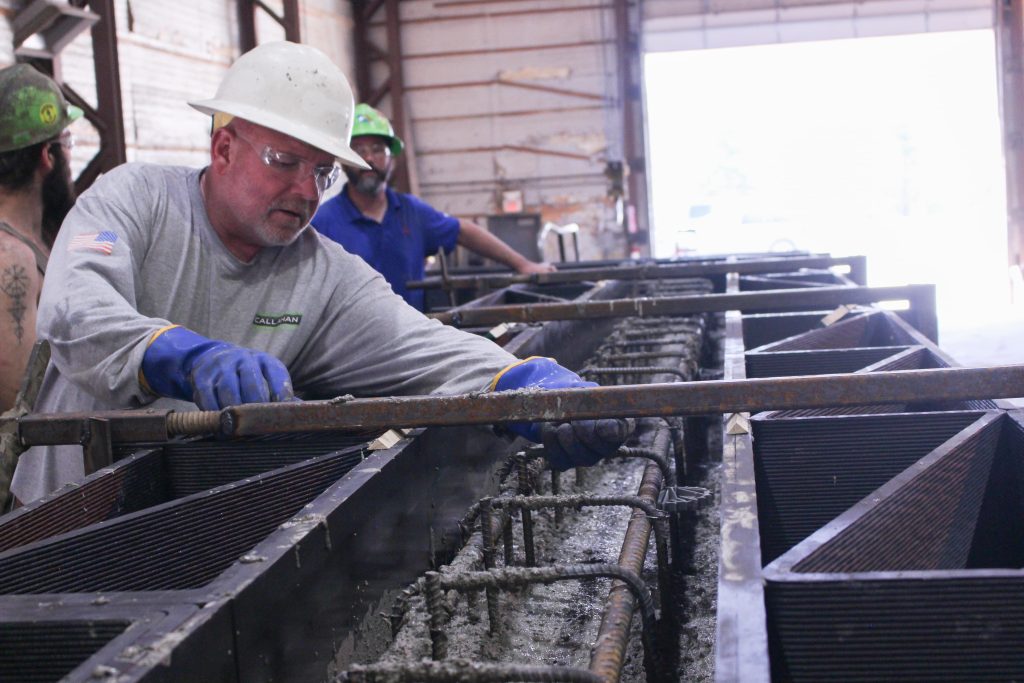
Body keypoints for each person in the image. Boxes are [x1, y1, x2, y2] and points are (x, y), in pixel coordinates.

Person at [10, 41, 632, 504]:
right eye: (284, 160)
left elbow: (423, 350)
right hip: (67, 516)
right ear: (223, 148)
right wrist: (178, 354)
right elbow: (73, 311)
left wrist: (525, 381)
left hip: (195, 530)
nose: (305, 190)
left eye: (321, 171)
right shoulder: (135, 200)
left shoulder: (322, 275)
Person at [311, 104, 554, 310]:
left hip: (409, 340)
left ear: (392, 160)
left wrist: (523, 264)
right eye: (359, 150)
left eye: (378, 150)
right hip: (349, 345)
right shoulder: (323, 221)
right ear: (344, 160)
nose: (370, 159)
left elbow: (463, 231)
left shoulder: (412, 212)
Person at [0, 64, 79, 412]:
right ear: (48, 156)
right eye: (68, 143)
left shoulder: (41, 240)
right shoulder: (10, 258)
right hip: (33, 465)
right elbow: (18, 411)